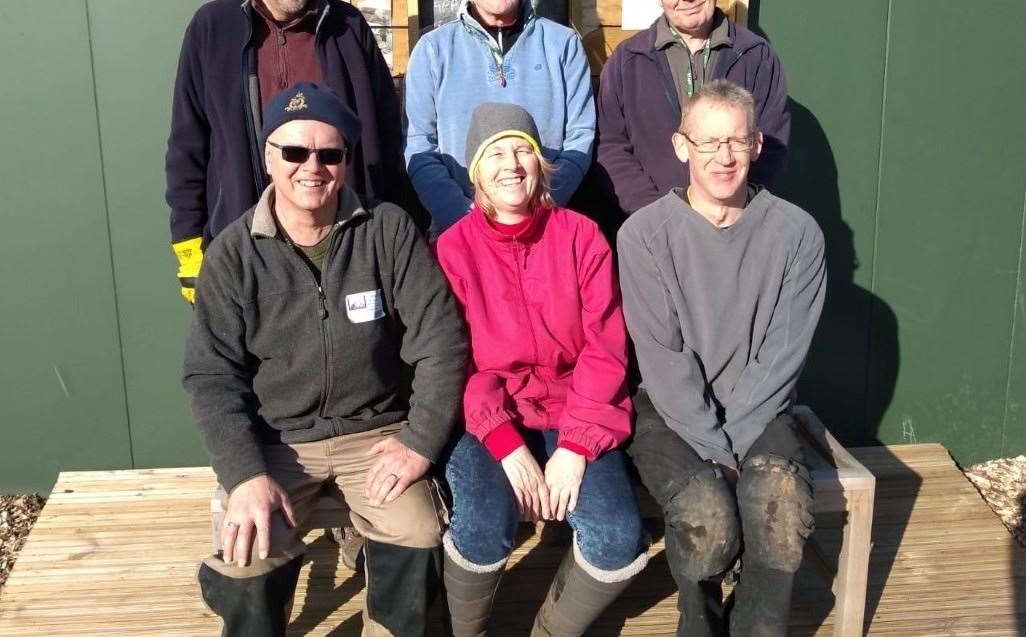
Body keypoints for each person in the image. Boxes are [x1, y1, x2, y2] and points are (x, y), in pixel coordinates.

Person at [183, 82, 467, 636]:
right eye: (294, 152)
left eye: (328, 154)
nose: (311, 167)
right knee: (248, 554)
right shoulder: (233, 253)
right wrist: (243, 475)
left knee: (418, 531)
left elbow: (441, 342)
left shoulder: (387, 230)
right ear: (269, 157)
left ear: (346, 161)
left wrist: (418, 444)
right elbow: (211, 376)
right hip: (280, 442)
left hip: (377, 433)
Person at [617, 80, 825, 636]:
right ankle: (700, 623)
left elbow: (783, 354)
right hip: (669, 411)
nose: (723, 157)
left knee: (777, 507)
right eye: (707, 142)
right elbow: (663, 358)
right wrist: (717, 451)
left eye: (735, 141)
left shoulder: (797, 234)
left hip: (761, 407)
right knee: (706, 519)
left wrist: (737, 445)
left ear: (756, 144)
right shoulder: (644, 235)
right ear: (681, 146)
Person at [435, 102, 647, 637]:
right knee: (482, 527)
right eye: (495, 154)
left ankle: (551, 629)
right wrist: (506, 446)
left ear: (541, 162)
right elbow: (457, 361)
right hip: (493, 417)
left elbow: (606, 345)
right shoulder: (452, 249)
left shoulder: (581, 235)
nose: (511, 164)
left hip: (578, 408)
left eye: (522, 150)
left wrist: (575, 448)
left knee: (616, 534)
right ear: (476, 173)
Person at [166, 0, 403, 304]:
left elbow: (386, 135)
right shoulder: (212, 28)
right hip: (243, 246)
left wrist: (392, 235)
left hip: (343, 243)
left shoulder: (348, 28)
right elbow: (188, 145)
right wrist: (190, 251)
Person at [404, 0, 595, 234]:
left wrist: (540, 209)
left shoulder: (564, 45)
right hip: (460, 232)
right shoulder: (433, 50)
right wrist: (466, 220)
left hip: (544, 229)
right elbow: (419, 144)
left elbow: (581, 137)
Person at [596, 0, 789, 219]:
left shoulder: (755, 55)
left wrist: (730, 207)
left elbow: (771, 141)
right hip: (650, 228)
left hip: (734, 223)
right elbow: (611, 145)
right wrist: (656, 215)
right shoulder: (627, 62)